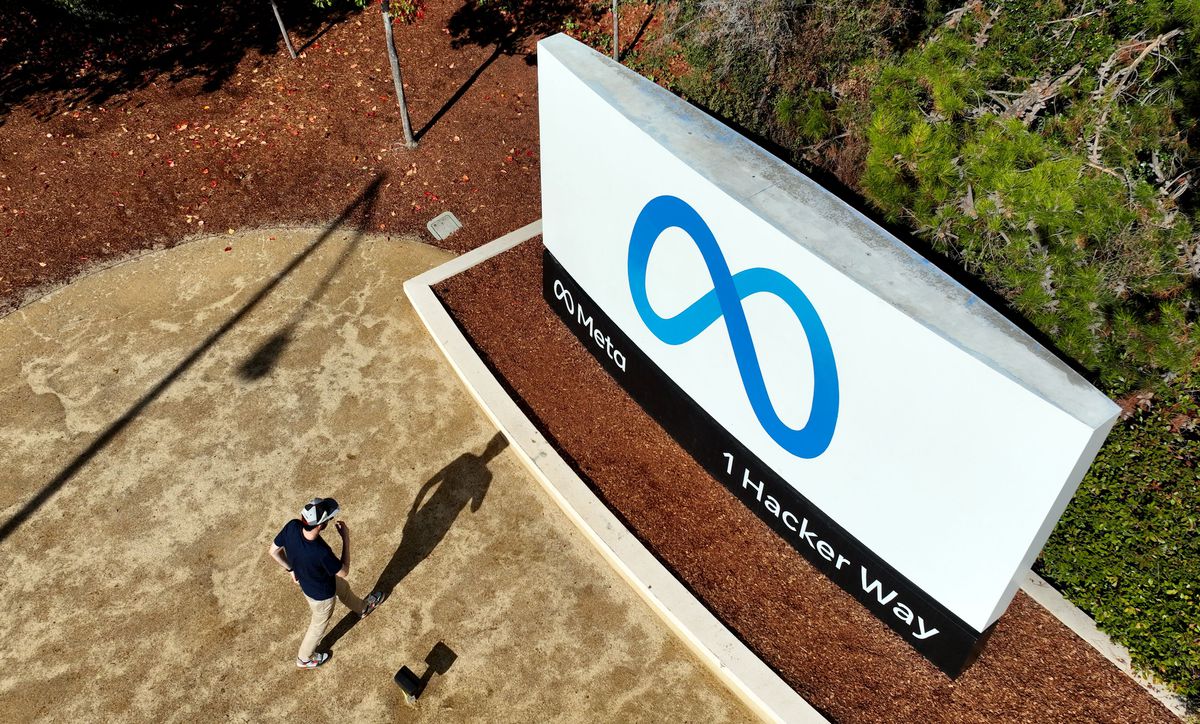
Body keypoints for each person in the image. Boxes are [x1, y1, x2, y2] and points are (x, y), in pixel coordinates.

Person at [268, 497, 384, 669]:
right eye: (328, 517)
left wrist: (291, 569)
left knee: (343, 589)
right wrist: (346, 539)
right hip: (321, 595)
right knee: (317, 625)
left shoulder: (292, 526)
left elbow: (273, 551)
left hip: (315, 580)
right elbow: (344, 571)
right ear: (321, 525)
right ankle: (304, 659)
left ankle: (362, 608)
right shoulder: (320, 552)